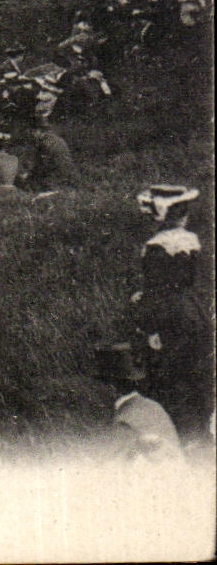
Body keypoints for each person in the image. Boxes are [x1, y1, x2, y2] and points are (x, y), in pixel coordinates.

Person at [133, 185, 210, 437]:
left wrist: (149, 326)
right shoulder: (191, 241)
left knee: (169, 373)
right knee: (195, 368)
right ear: (182, 216)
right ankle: (200, 428)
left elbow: (156, 289)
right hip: (192, 309)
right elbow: (187, 279)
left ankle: (175, 429)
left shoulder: (155, 246)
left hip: (168, 314)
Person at [94, 342, 184, 466]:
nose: (97, 391)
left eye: (101, 384)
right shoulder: (153, 407)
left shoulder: (124, 418)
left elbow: (110, 463)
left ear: (111, 386)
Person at [23, 126, 76, 192]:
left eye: (32, 132)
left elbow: (43, 164)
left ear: (38, 131)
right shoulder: (53, 138)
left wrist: (29, 175)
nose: (32, 135)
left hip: (57, 173)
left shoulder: (45, 143)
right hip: (67, 170)